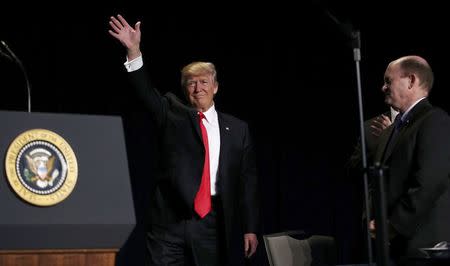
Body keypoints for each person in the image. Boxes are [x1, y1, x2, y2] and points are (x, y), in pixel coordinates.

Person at [108, 14, 259, 266]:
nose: (198, 88)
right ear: (184, 88)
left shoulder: (238, 129)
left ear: (216, 87)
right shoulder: (170, 112)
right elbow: (145, 92)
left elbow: (247, 181)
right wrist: (134, 51)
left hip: (212, 224)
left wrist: (250, 228)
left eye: (203, 82)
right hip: (169, 223)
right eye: (191, 83)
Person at [369, 55, 450, 265]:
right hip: (396, 249)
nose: (383, 87)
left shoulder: (435, 121)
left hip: (423, 249)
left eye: (388, 81)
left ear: (411, 81)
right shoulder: (394, 130)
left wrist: (392, 226)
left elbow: (429, 183)